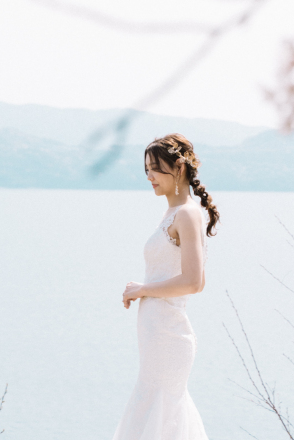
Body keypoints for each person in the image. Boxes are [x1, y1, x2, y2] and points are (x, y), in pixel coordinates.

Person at [112, 133, 220, 440]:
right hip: (156, 333)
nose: (150, 177)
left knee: (160, 418)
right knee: (155, 417)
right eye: (146, 170)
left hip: (169, 334)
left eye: (156, 169)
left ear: (180, 168)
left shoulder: (186, 214)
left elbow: (194, 281)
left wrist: (142, 289)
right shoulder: (171, 213)